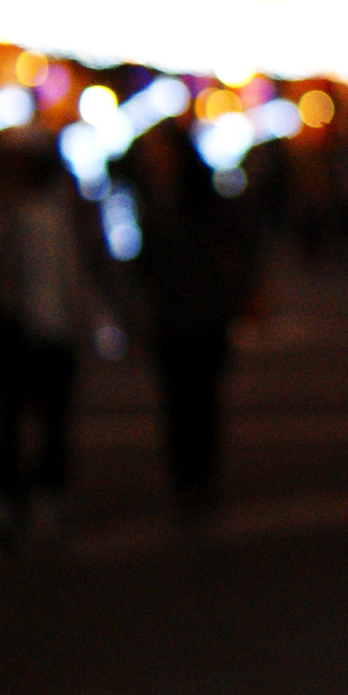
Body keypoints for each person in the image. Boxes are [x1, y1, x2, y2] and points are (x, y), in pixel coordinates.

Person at [0, 126, 106, 550]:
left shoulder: (70, 205)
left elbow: (91, 261)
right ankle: (2, 498)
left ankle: (48, 494)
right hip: (10, 325)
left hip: (58, 325)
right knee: (7, 417)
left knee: (55, 418)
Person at [125, 120, 258, 522]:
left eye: (158, 151)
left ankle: (200, 476)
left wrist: (237, 296)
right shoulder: (153, 199)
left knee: (201, 399)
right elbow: (145, 264)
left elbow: (239, 250)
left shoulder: (203, 200)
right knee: (178, 401)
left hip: (203, 314)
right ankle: (187, 477)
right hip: (171, 316)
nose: (153, 158)